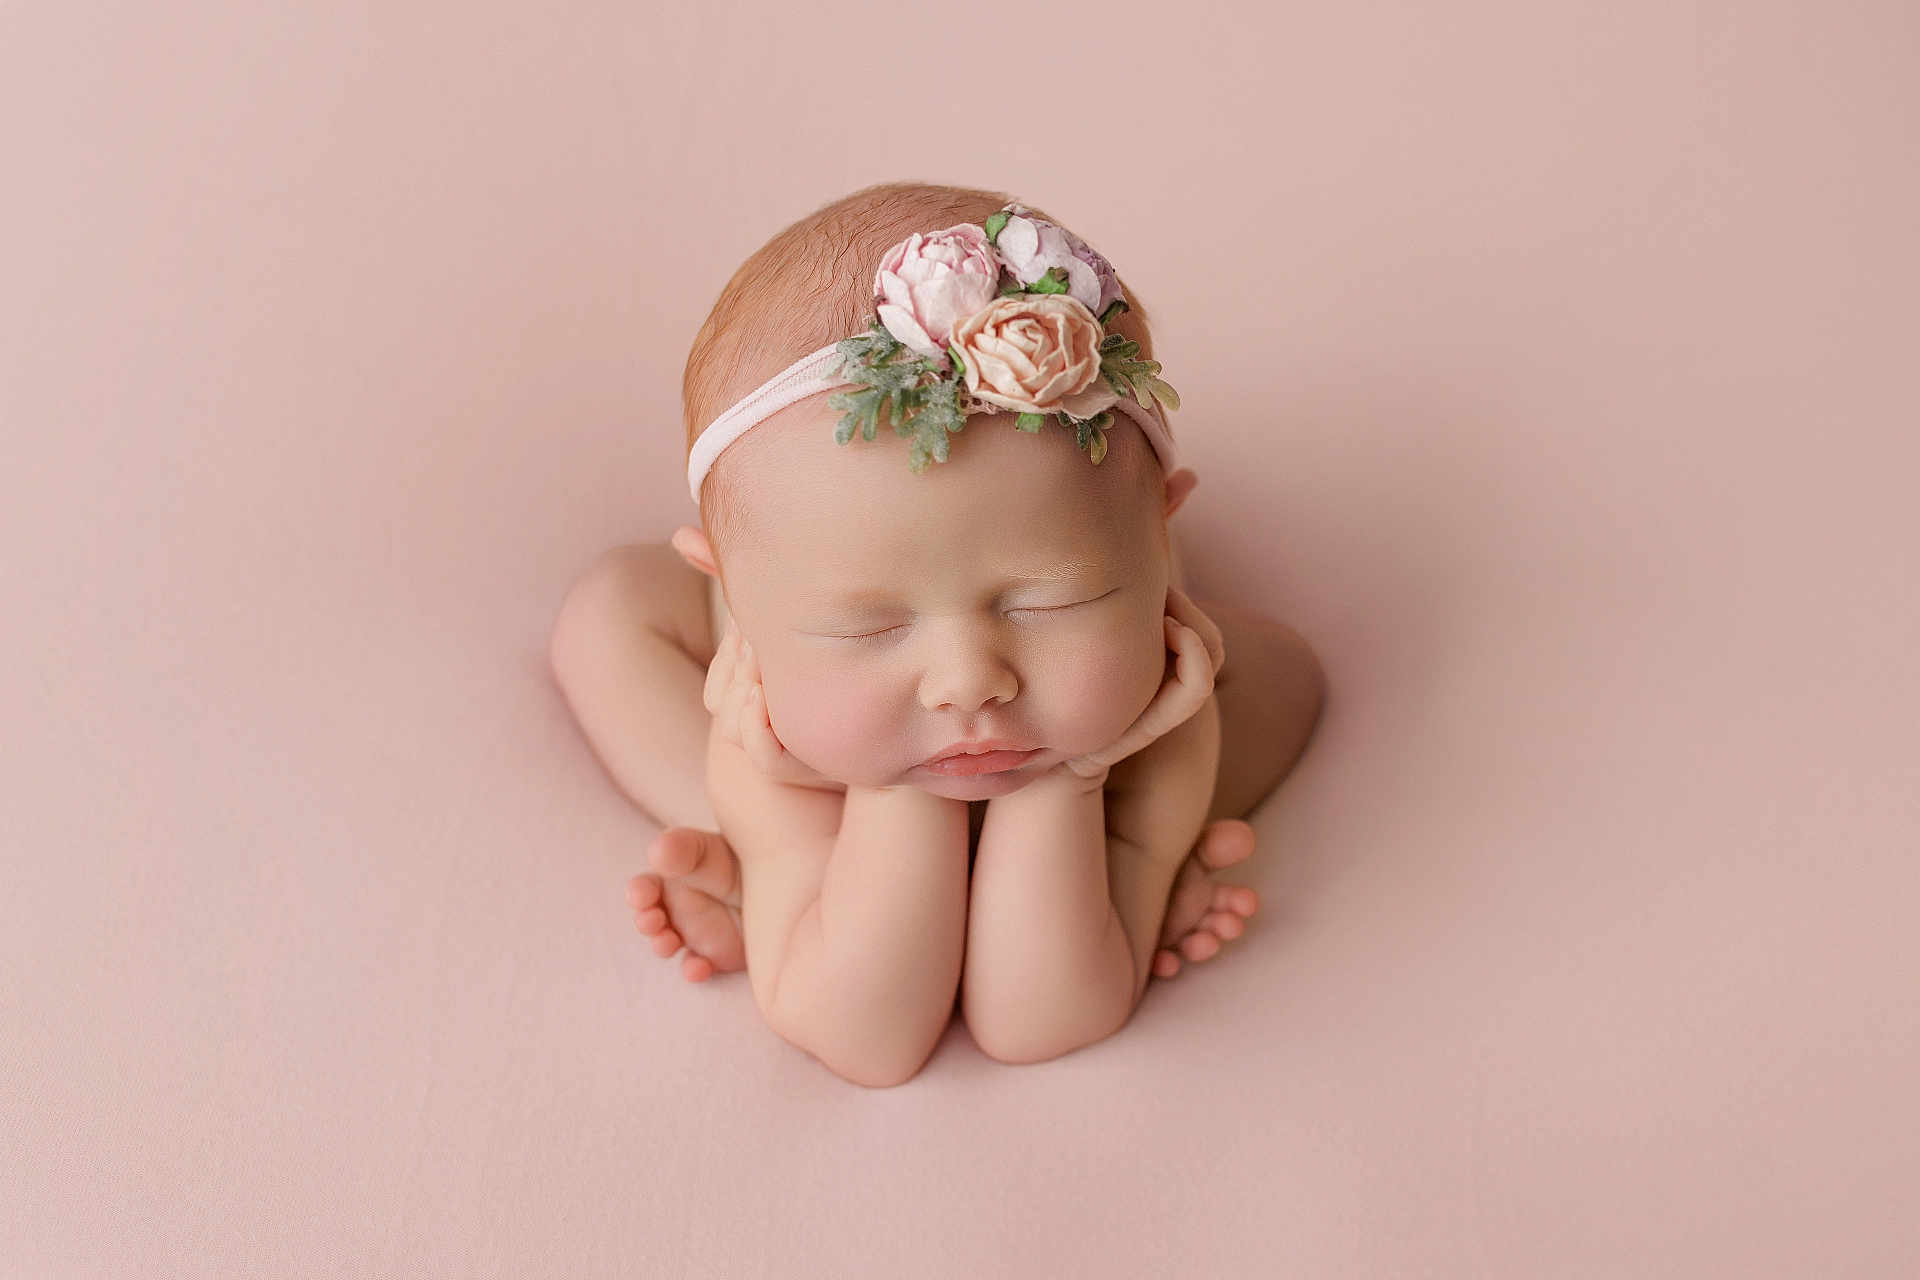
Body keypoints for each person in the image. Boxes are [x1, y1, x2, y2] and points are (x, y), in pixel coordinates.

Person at [549, 182, 1326, 1087]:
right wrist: (868, 796)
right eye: (869, 626)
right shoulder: (763, 713)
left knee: (1276, 676)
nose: (968, 681)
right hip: (810, 718)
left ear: (1159, 532)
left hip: (1097, 711)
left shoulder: (1152, 696)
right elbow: (867, 1038)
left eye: (1044, 605)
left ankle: (1119, 852)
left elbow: (1038, 1021)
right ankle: (765, 859)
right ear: (739, 595)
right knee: (604, 616)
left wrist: (1076, 782)